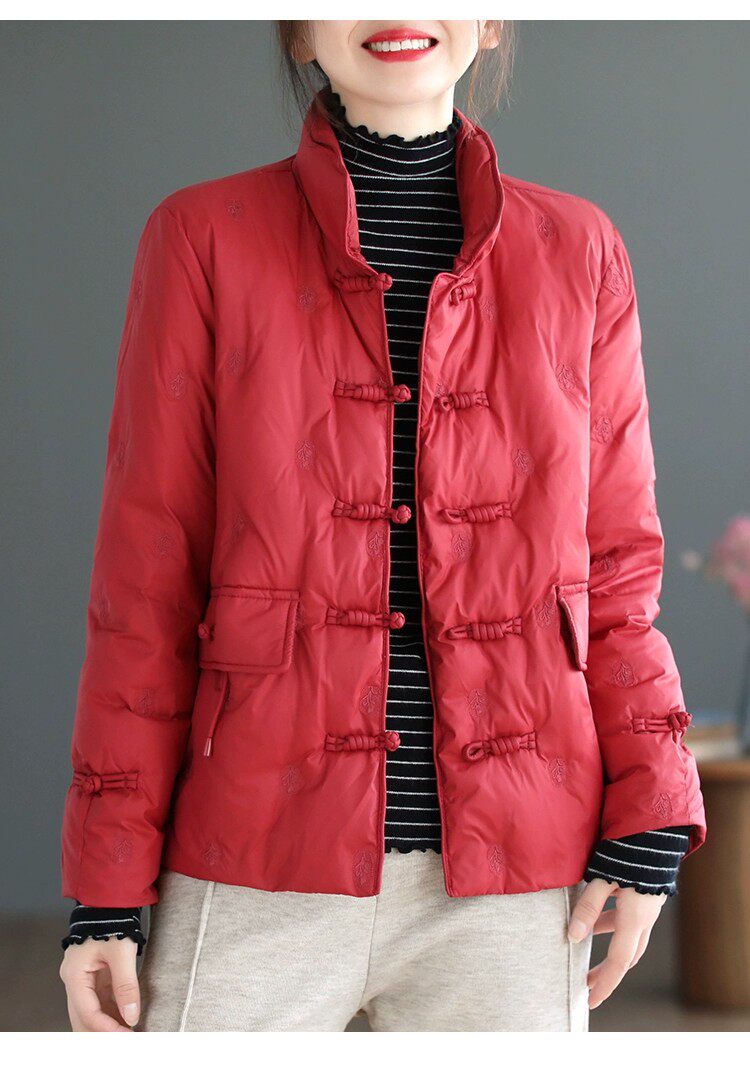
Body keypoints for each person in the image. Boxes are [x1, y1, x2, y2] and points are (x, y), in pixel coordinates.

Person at [59, 20, 705, 1032]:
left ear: (491, 19)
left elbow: (618, 571)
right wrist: (106, 886)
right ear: (297, 31)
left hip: (516, 873)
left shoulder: (580, 250)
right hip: (256, 852)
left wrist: (654, 812)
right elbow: (147, 578)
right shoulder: (203, 236)